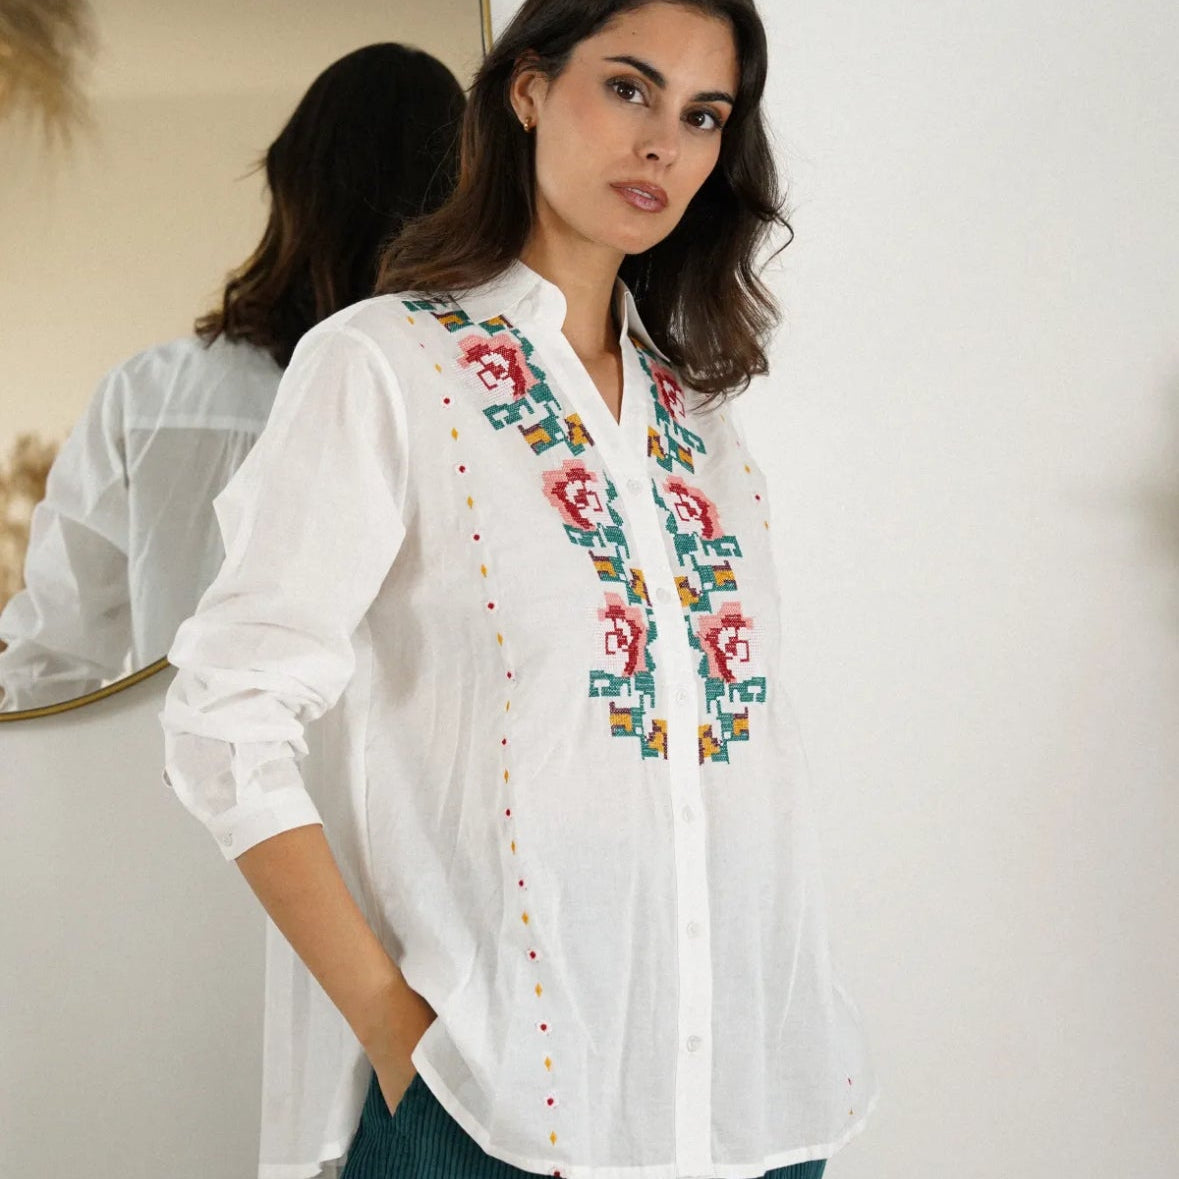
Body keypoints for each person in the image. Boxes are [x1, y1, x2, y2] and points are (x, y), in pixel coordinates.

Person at [162, 2, 878, 1177]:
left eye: (703, 116)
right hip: (495, 1113)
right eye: (630, 88)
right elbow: (223, 718)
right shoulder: (384, 365)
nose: (663, 144)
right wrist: (396, 1035)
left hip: (751, 1110)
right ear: (529, 89)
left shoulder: (701, 421)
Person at [0, 42, 466, 712]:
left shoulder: (146, 396)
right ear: (456, 205)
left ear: (287, 183)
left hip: (170, 774)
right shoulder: (466, 404)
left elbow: (48, 665)